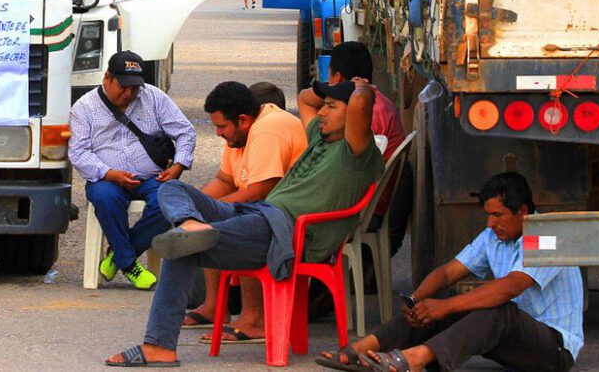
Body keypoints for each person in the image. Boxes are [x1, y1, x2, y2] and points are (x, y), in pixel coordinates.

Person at [104, 78, 383, 367]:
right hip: (259, 214)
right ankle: (189, 223)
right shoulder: (321, 138)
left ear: (353, 117)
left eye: (332, 106)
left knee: (180, 248)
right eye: (324, 106)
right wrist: (334, 89)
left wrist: (361, 88)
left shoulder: (356, 153)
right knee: (172, 189)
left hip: (284, 232)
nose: (321, 112)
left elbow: (359, 105)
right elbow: (304, 98)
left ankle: (159, 346)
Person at [317, 172, 583, 372]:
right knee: (435, 303)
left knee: (493, 307)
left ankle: (414, 358)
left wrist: (445, 307)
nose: (491, 223)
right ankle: (363, 348)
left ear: (523, 212)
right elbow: (447, 272)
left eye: (498, 215)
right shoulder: (494, 235)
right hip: (512, 339)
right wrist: (417, 300)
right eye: (488, 215)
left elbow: (510, 287)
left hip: (554, 350)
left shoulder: (551, 236)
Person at [179, 81, 307, 342]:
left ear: (244, 120)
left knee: (239, 222)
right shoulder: (239, 133)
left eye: (221, 127)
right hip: (269, 210)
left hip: (293, 219)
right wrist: (193, 204)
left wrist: (216, 210)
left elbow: (260, 190)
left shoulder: (269, 130)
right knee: (203, 217)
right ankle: (215, 307)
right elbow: (225, 181)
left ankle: (255, 319)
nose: (217, 134)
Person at [69, 50, 196, 290]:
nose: (129, 94)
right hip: (107, 178)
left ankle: (118, 257)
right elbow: (78, 152)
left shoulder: (154, 98)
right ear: (107, 78)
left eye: (134, 88)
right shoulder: (84, 108)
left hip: (150, 177)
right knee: (105, 198)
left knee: (170, 201)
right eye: (123, 86)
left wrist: (179, 164)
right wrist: (108, 173)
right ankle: (130, 264)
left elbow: (185, 131)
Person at [326, 41, 407, 252]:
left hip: (367, 208)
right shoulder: (375, 101)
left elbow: (353, 175)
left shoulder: (367, 111)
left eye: (329, 76)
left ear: (339, 78)